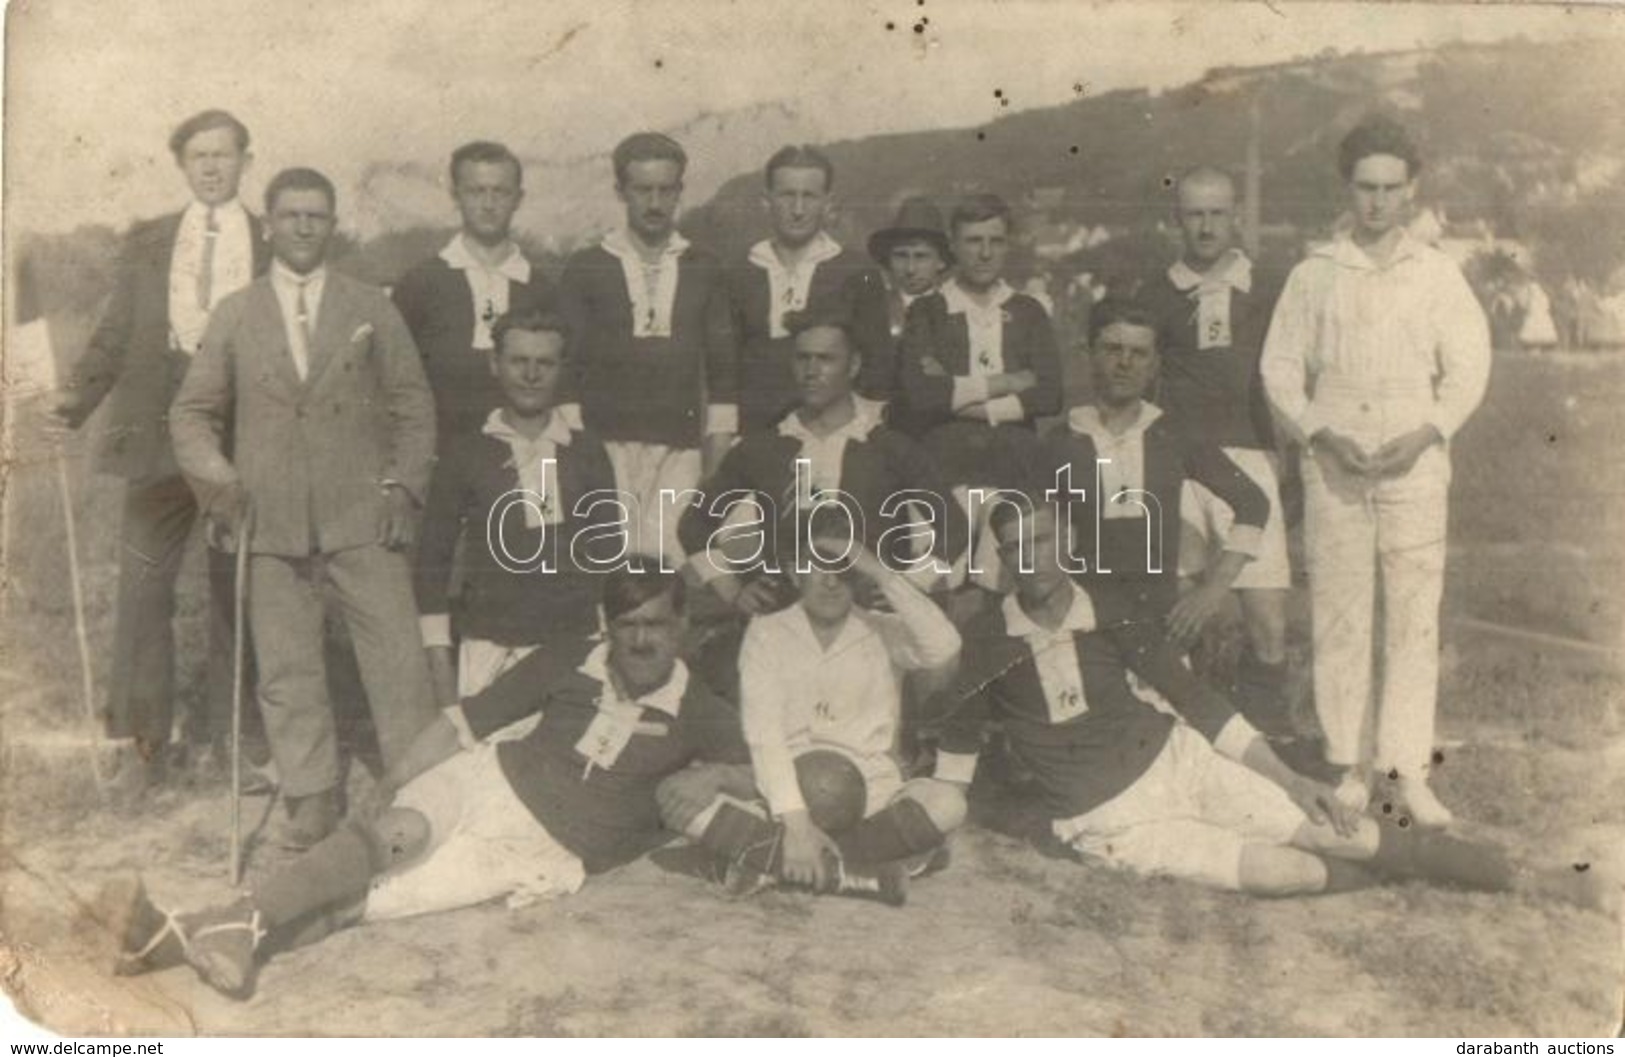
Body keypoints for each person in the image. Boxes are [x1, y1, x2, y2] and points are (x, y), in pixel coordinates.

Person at [924, 502, 1615, 909]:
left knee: (1330, 829)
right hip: (1109, 818)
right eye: (1013, 547)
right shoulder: (985, 640)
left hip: (1176, 759)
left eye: (1041, 539)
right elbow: (953, 764)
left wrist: (1289, 779)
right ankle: (1402, 871)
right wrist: (920, 831)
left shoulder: (1109, 609)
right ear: (1000, 558)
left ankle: (1536, 879)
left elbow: (1196, 701)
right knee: (1290, 872)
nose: (1029, 556)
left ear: (1065, 542)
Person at [111, 569, 755, 1000]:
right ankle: (241, 926)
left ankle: (184, 933)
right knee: (400, 835)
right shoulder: (568, 659)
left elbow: (764, 775)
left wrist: (720, 772)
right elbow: (463, 724)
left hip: (532, 853)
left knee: (373, 903)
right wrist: (390, 783)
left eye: (658, 625)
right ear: (607, 625)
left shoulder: (702, 710)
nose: (642, 639)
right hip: (487, 783)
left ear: (684, 628)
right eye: (629, 624)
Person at [170, 167, 439, 849]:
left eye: (316, 216)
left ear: (333, 223)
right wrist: (221, 484)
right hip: (269, 519)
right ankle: (311, 796)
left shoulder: (369, 306)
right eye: (289, 215)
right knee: (287, 669)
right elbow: (192, 413)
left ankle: (419, 790)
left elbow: (414, 405)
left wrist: (402, 487)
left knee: (398, 660)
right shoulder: (235, 312)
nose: (302, 227)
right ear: (268, 224)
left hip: (362, 516)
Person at [1260, 116, 1492, 826]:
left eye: (1391, 188)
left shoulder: (1436, 272)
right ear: (1347, 187)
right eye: (1365, 187)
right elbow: (1278, 366)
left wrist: (1427, 431)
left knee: (1413, 615)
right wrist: (1319, 433)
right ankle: (1346, 762)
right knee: (1339, 612)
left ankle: (1405, 769)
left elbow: (1469, 366)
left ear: (1411, 191)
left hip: (1412, 465)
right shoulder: (1315, 272)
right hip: (1335, 463)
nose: (1377, 202)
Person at [50, 109, 269, 794]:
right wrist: (72, 405)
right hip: (154, 434)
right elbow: (116, 332)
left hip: (237, 432)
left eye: (224, 155)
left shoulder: (269, 240)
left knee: (238, 587)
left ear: (245, 162)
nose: (211, 167)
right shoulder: (149, 240)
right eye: (198, 156)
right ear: (181, 164)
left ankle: (237, 739)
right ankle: (144, 740)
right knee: (145, 586)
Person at [659, 523, 963, 905]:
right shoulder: (767, 632)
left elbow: (945, 645)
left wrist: (881, 573)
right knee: (677, 799)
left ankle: (772, 861)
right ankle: (852, 873)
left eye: (843, 567)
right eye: (816, 566)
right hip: (785, 791)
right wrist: (798, 826)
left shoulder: (883, 628)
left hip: (870, 791)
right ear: (793, 571)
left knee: (949, 805)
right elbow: (764, 735)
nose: (831, 581)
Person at [678, 310, 968, 618]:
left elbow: (955, 527)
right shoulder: (762, 447)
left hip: (872, 622)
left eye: (826, 359)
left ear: (853, 365)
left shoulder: (890, 447)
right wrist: (732, 590)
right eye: (803, 359)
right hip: (785, 619)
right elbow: (694, 524)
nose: (811, 371)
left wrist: (908, 585)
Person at [1139, 167, 1293, 737]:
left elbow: (1286, 375)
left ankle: (1271, 735)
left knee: (1266, 616)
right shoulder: (1155, 292)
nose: (1206, 226)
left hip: (1250, 458)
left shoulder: (1269, 287)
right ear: (1178, 220)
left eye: (1217, 214)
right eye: (1194, 214)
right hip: (1180, 462)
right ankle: (1191, 732)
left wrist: (1285, 454)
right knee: (1182, 609)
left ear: (1235, 217)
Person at [413, 306, 620, 705]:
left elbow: (607, 559)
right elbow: (432, 564)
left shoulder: (587, 451)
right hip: (491, 647)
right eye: (518, 361)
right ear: (495, 364)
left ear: (562, 369)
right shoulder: (465, 453)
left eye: (545, 363)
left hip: (574, 646)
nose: (531, 375)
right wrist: (441, 668)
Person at [1038, 299, 1268, 653]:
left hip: (1161, 623)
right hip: (1085, 622)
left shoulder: (1172, 433)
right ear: (1089, 355)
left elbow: (1253, 503)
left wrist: (1211, 591)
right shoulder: (1061, 439)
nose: (1125, 362)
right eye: (1113, 349)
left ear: (1154, 365)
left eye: (1139, 353)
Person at [557, 132, 735, 563]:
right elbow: (566, 374)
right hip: (605, 448)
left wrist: (715, 466)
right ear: (621, 192)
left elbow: (723, 373)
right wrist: (577, 455)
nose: (655, 203)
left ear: (679, 192)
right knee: (606, 562)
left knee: (668, 562)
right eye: (642, 190)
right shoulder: (587, 267)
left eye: (665, 190)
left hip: (679, 449)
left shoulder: (704, 267)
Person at [896, 193, 1062, 593]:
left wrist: (953, 394)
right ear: (952, 245)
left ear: (1008, 244)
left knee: (999, 592)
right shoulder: (928, 310)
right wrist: (1009, 383)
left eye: (995, 241)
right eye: (973, 241)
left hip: (1012, 471)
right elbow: (919, 394)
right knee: (934, 586)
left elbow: (1049, 394)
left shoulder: (1028, 311)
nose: (985, 253)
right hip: (941, 472)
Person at [392, 141, 555, 450]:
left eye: (501, 192)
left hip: (521, 458)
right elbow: (398, 387)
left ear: (518, 199)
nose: (489, 204)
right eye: (476, 191)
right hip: (440, 458)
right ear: (456, 196)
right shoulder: (420, 284)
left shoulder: (542, 288)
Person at [728, 145, 892, 432]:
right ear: (766, 201)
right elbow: (725, 369)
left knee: (804, 478)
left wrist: (864, 438)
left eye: (809, 196)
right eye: (787, 195)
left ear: (828, 204)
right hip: (756, 434)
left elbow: (876, 369)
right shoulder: (739, 270)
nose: (798, 210)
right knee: (783, 477)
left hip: (830, 432)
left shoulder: (856, 271)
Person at [867, 195, 952, 343]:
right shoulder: (873, 311)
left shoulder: (954, 309)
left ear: (941, 261)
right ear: (889, 259)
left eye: (921, 257)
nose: (910, 269)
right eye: (901, 256)